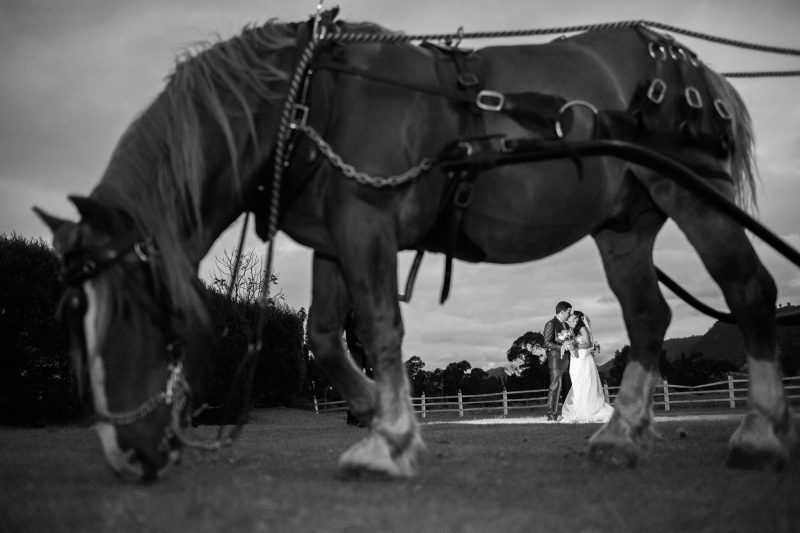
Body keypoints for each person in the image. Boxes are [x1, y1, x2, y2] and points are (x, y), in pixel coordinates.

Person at [560, 310, 614, 424]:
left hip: (583, 360)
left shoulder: (582, 329)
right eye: (570, 319)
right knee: (577, 383)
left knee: (585, 382)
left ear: (578, 320)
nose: (571, 320)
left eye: (573, 319)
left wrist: (575, 345)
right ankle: (579, 407)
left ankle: (587, 408)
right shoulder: (572, 331)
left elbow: (589, 344)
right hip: (575, 360)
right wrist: (566, 344)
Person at [542, 301, 573, 421]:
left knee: (567, 387)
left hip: (567, 360)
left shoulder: (565, 326)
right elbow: (547, 343)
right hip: (555, 360)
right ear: (562, 311)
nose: (570, 314)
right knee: (555, 387)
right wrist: (563, 347)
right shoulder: (550, 324)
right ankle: (552, 415)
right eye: (569, 312)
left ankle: (567, 413)